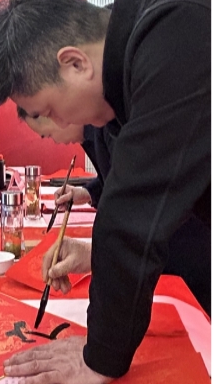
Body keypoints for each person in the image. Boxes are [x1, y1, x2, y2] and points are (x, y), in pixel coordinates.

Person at [0, 0, 210, 384]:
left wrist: (101, 356)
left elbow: (133, 215)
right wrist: (96, 253)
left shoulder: (181, 34)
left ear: (75, 63)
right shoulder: (141, 49)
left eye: (49, 109)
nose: (62, 124)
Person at [19, 110, 211, 314]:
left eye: (48, 134)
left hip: (188, 251)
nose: (55, 140)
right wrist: (88, 192)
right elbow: (119, 180)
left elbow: (146, 204)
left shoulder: (114, 122)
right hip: (168, 249)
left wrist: (98, 253)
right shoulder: (95, 131)